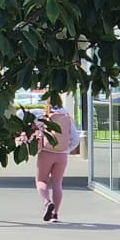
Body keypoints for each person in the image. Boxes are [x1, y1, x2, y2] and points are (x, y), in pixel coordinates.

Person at [35, 94, 80, 222]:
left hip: (46, 152)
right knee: (57, 183)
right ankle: (55, 214)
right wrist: (66, 149)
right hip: (62, 155)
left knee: (41, 181)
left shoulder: (44, 116)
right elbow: (75, 140)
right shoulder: (67, 117)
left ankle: (47, 202)